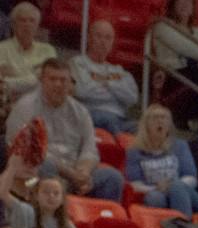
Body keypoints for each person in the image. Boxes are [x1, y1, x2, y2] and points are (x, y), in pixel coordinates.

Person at [7, 55, 124, 199]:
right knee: (44, 166)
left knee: (113, 177)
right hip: (38, 175)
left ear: (70, 83)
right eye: (53, 79)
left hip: (74, 174)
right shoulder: (25, 107)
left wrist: (84, 172)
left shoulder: (81, 111)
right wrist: (71, 174)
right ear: (42, 81)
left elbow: (90, 149)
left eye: (63, 80)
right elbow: (30, 153)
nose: (58, 84)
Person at [69, 18, 137, 132]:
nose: (103, 41)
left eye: (108, 38)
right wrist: (115, 87)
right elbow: (82, 91)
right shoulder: (78, 62)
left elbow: (132, 99)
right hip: (90, 116)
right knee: (106, 119)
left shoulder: (119, 70)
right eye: (98, 36)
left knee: (147, 130)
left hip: (120, 120)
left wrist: (107, 83)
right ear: (89, 39)